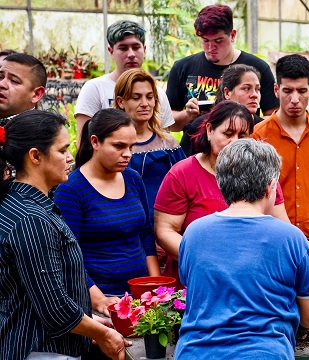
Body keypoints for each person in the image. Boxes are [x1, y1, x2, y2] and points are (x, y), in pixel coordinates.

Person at [176, 138, 309, 358]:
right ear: (269, 187)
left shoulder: (194, 233)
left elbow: (195, 290)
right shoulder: (291, 238)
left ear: (222, 184)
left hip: (196, 352)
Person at [0, 110, 130, 360]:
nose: (70, 157)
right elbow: (54, 307)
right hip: (38, 350)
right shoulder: (31, 219)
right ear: (35, 156)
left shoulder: (29, 204)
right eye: (62, 150)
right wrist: (104, 335)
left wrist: (90, 321)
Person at [154, 100, 289, 282]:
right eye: (228, 134)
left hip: (249, 278)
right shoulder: (182, 174)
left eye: (242, 136)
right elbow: (165, 230)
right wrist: (206, 260)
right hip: (194, 279)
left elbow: (281, 227)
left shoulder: (262, 174)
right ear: (209, 130)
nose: (235, 142)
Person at [54, 109, 160, 310]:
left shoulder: (133, 179)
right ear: (95, 142)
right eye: (119, 146)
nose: (128, 154)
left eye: (131, 146)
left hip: (141, 294)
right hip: (100, 298)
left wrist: (154, 286)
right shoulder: (72, 189)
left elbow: (146, 235)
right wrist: (100, 301)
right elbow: (68, 255)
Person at [251, 54, 309, 261]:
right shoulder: (259, 134)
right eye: (287, 91)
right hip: (273, 242)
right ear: (276, 90)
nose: (294, 99)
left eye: (301, 91)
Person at [165, 4, 279, 129]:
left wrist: (249, 119)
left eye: (218, 41)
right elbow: (168, 124)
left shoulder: (257, 68)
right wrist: (187, 115)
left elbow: (273, 118)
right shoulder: (182, 68)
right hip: (195, 146)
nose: (210, 47)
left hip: (242, 146)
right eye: (205, 40)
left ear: (233, 35)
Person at [74, 20, 180, 141]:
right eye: (123, 48)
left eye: (136, 47)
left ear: (144, 49)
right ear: (111, 51)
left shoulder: (157, 92)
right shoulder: (95, 89)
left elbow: (164, 139)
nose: (131, 54)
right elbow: (84, 142)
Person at [113, 68, 185, 223]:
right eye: (136, 97)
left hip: (165, 227)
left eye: (150, 97)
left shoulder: (167, 143)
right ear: (121, 102)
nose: (144, 104)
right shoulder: (110, 145)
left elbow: (186, 185)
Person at [180, 63, 263, 156]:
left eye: (257, 89)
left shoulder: (265, 128)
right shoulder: (199, 126)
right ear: (227, 93)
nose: (255, 95)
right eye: (247, 88)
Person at [0, 53, 47, 125]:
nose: (2, 84)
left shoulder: (42, 133)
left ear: (36, 94)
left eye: (14, 81)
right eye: (0, 77)